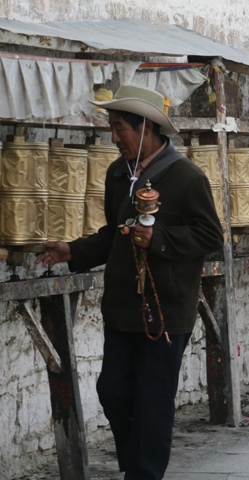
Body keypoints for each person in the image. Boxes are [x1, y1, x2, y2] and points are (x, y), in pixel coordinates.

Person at [36, 84, 224, 479]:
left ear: (148, 129)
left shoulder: (187, 177)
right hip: (122, 307)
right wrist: (72, 251)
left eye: (120, 127)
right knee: (114, 391)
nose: (114, 136)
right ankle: (137, 465)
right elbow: (114, 233)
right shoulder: (118, 175)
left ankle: (142, 473)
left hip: (165, 311)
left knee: (153, 402)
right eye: (112, 126)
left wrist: (160, 240)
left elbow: (210, 237)